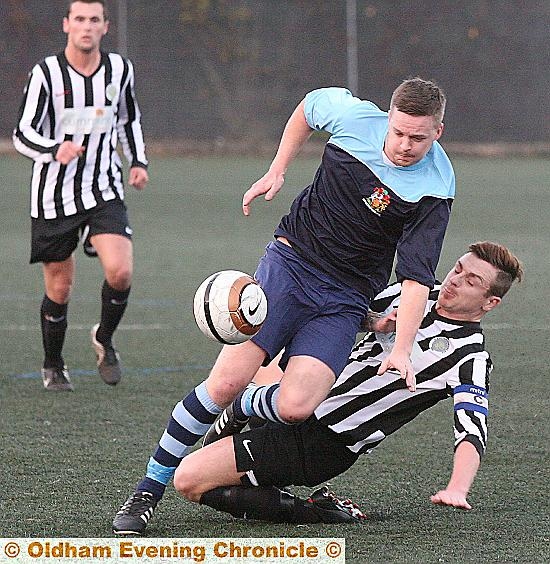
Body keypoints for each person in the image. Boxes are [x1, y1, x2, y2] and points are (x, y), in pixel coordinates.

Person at [112, 77, 454, 533]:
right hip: (291, 265)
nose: (406, 145)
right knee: (224, 381)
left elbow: (415, 278)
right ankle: (147, 491)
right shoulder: (354, 118)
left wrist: (401, 348)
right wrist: (278, 169)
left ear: (438, 132)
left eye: (419, 137)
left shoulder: (436, 185)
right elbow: (309, 108)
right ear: (388, 118)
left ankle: (244, 408)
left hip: (344, 299)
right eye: (399, 132)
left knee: (296, 406)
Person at [163, 242, 521, 527]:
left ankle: (316, 511)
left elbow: (472, 431)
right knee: (257, 357)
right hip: (299, 393)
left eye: (471, 281)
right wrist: (376, 322)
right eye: (458, 268)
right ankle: (242, 421)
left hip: (320, 441)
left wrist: (458, 488)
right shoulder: (414, 295)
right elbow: (348, 311)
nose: (455, 280)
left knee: (188, 480)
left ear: (491, 303)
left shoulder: (469, 357)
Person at [13, 0, 148, 391]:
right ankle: (53, 364)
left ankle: (104, 339)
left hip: (104, 188)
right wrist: (56, 148)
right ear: (66, 25)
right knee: (59, 287)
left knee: (120, 271)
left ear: (105, 27)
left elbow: (128, 119)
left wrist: (137, 161)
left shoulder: (119, 69)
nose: (86, 27)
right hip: (53, 196)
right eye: (80, 20)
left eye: (94, 20)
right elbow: (22, 132)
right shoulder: (47, 74)